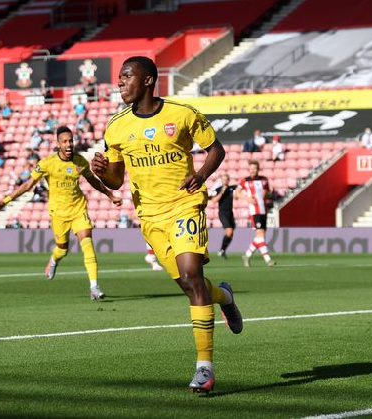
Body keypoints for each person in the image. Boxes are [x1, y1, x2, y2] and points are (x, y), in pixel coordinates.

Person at [91, 56, 242, 393]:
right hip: (150, 216)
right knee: (191, 286)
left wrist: (200, 175)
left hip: (185, 205)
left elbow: (215, 149)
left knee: (191, 274)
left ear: (147, 80)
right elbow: (116, 181)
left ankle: (204, 368)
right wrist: (103, 172)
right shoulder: (115, 126)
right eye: (119, 77)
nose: (120, 82)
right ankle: (225, 297)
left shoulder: (182, 114)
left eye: (127, 76)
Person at [0, 125, 122, 300]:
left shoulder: (80, 162)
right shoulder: (47, 163)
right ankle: (54, 260)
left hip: (78, 209)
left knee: (88, 245)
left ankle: (94, 286)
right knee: (62, 250)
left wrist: (110, 195)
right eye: (65, 141)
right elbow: (28, 185)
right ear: (58, 144)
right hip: (59, 214)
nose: (69, 144)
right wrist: (6, 200)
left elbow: (93, 181)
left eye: (71, 141)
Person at [237, 160, 275, 268]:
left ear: (258, 169)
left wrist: (267, 193)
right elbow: (237, 192)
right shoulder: (245, 181)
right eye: (251, 168)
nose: (253, 170)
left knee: (260, 236)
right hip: (254, 210)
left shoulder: (264, 180)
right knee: (261, 235)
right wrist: (247, 199)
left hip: (263, 209)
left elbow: (268, 194)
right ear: (249, 169)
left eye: (255, 168)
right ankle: (268, 260)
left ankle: (247, 255)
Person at [210, 173, 236, 259]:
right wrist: (221, 192)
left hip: (230, 213)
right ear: (221, 180)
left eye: (226, 179)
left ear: (228, 180)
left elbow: (239, 190)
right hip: (223, 213)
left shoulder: (231, 188)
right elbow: (214, 200)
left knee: (231, 234)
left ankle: (223, 250)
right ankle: (221, 250)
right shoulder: (218, 189)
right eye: (223, 179)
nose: (225, 181)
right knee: (229, 231)